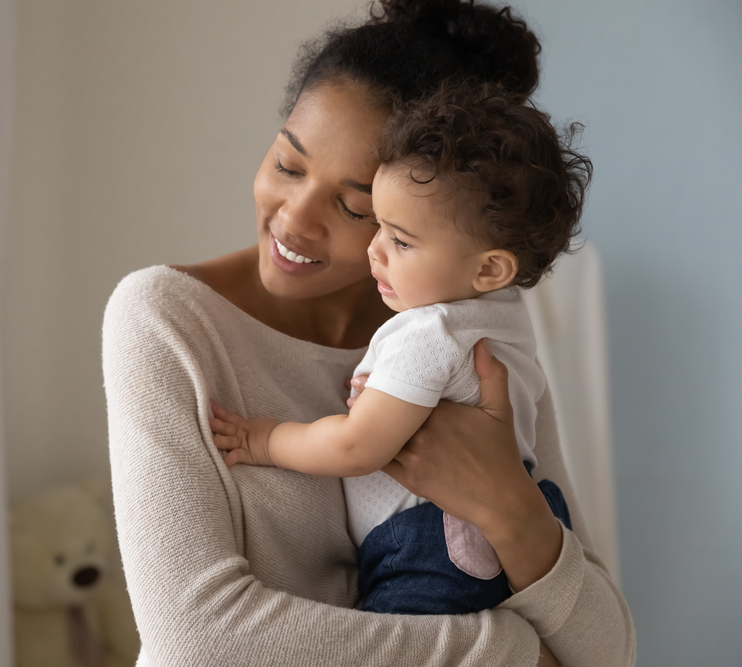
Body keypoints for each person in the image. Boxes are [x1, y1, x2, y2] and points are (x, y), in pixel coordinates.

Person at [102, 1, 636, 665]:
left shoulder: (465, 340)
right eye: (287, 165)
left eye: (354, 207)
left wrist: (509, 508)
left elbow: (608, 650)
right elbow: (199, 639)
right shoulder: (167, 319)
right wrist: (515, 652)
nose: (293, 219)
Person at [208, 81, 585, 617]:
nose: (375, 250)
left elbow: (354, 449)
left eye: (401, 240)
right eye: (377, 224)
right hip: (516, 530)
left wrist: (264, 439)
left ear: (489, 267)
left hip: (433, 547)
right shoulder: (505, 316)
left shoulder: (430, 331)